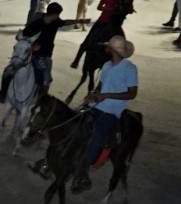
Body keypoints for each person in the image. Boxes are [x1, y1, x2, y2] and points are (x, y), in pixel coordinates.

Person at [72, 35, 137, 193]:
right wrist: (92, 94)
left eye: (108, 46)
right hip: (96, 104)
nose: (106, 48)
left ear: (112, 50)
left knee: (95, 138)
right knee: (71, 122)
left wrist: (107, 95)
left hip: (111, 110)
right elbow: (100, 86)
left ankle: (82, 175)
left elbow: (132, 93)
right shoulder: (106, 65)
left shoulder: (130, 69)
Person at [20, 3, 79, 94]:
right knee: (10, 71)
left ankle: (42, 96)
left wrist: (80, 21)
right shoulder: (37, 23)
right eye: (58, 14)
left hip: (45, 55)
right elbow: (21, 37)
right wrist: (32, 45)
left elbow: (65, 22)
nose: (58, 16)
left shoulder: (55, 22)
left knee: (46, 78)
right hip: (30, 53)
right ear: (54, 14)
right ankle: (2, 93)